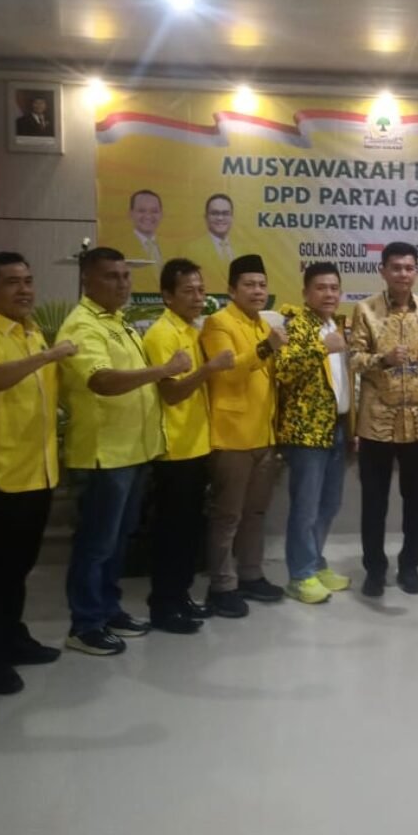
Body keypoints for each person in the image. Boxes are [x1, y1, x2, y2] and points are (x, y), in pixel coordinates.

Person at [58, 247, 190, 655]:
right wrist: (163, 370)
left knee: (118, 541)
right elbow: (102, 381)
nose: (122, 284)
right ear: (87, 280)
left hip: (134, 451)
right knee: (97, 543)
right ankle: (85, 624)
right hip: (105, 454)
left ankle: (108, 609)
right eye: (111, 276)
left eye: (125, 275)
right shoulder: (81, 325)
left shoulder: (119, 322)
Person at [0, 253, 76, 694]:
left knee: (19, 567)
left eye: (28, 280)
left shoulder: (31, 332)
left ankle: (12, 638)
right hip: (0, 473)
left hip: (38, 471)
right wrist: (47, 357)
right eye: (12, 282)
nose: (25, 290)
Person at [141, 258, 235, 633]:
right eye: (188, 291)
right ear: (167, 296)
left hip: (197, 445)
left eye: (201, 290)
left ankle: (180, 596)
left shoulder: (192, 329)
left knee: (188, 531)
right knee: (171, 532)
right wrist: (209, 369)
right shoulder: (161, 334)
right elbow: (172, 393)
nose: (197, 297)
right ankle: (164, 605)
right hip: (174, 449)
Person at [349, 241, 418, 597]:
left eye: (409, 267)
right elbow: (354, 359)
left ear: (416, 271)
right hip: (377, 422)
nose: (403, 274)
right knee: (374, 502)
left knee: (415, 501)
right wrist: (383, 359)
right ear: (383, 271)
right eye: (396, 267)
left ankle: (410, 566)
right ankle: (374, 569)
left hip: (417, 421)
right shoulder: (366, 310)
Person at [200, 254, 287, 617]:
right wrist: (266, 347)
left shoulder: (261, 324)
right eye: (249, 284)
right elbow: (227, 372)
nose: (257, 291)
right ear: (231, 289)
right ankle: (221, 586)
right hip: (231, 437)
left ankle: (251, 574)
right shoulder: (219, 323)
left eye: (262, 285)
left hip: (263, 435)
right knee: (228, 515)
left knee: (255, 512)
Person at [275, 262, 353, 605]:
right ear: (306, 293)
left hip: (337, 426)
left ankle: (316, 563)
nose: (329, 294)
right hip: (307, 431)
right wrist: (324, 347)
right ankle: (300, 575)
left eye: (334, 288)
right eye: (321, 288)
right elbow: (284, 369)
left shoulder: (335, 325)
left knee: (329, 504)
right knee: (305, 507)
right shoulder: (297, 325)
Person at [184, 194, 235, 294]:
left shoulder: (243, 250)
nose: (220, 218)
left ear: (232, 217)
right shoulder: (190, 249)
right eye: (215, 213)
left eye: (225, 213)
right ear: (206, 217)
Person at [121, 189, 163, 292]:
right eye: (141, 211)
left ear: (161, 214)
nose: (148, 216)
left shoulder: (174, 248)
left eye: (154, 211)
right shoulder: (118, 247)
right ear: (131, 213)